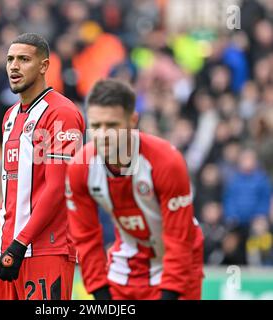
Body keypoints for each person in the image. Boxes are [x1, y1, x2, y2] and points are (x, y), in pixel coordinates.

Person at [66, 79, 204, 300]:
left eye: (111, 125)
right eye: (95, 126)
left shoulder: (167, 162)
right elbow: (85, 238)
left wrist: (168, 295)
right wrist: (100, 294)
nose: (102, 135)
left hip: (179, 261)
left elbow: (179, 239)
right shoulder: (79, 168)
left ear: (132, 121)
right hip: (127, 261)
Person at [0, 33, 85, 300]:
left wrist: (20, 243)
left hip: (46, 250)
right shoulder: (10, 116)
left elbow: (58, 189)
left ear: (44, 66)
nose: (14, 66)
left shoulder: (62, 114)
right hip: (8, 248)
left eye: (24, 59)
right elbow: (12, 193)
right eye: (10, 59)